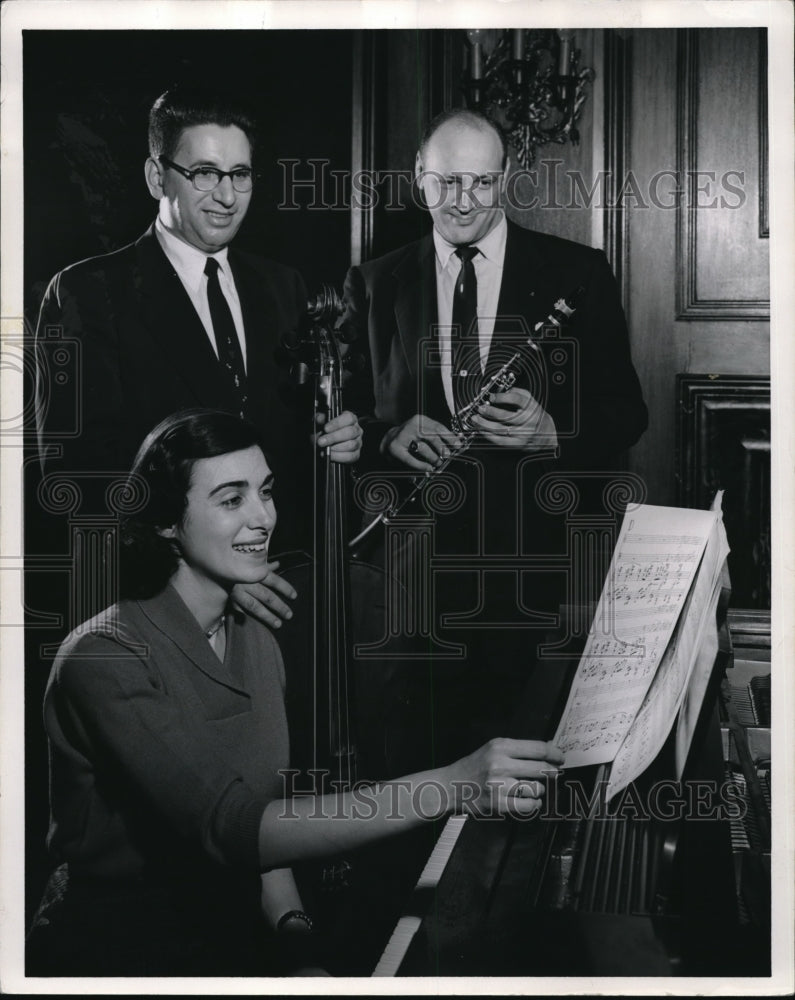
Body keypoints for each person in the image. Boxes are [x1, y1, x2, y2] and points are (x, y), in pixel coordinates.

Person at [25, 409, 563, 977]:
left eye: (266, 491)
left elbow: (263, 819)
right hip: (119, 950)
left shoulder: (254, 632)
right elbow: (231, 829)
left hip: (228, 932)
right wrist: (453, 785)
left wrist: (294, 936)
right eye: (231, 500)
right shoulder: (104, 657)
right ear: (165, 522)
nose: (262, 518)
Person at [342, 108, 649, 766]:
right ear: (418, 178)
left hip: (530, 571)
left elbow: (627, 411)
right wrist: (387, 435)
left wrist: (551, 432)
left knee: (517, 777)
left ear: (505, 178)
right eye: (446, 182)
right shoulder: (372, 283)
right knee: (412, 767)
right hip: (411, 577)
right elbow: (346, 416)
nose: (462, 201)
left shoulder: (577, 273)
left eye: (480, 183)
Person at [33, 84, 361, 629]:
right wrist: (214, 580)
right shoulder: (87, 292)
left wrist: (335, 438)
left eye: (240, 174)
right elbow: (81, 482)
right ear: (157, 177)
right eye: (204, 173)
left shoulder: (282, 286)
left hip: (277, 591)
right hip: (159, 608)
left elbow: (277, 443)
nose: (226, 196)